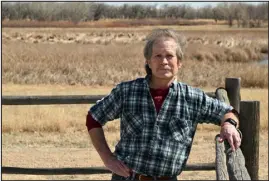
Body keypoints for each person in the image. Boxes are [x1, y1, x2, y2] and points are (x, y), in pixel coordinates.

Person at [86, 29, 241, 181]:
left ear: (179, 62)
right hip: (128, 178)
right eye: (158, 56)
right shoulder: (127, 91)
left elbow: (228, 112)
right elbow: (94, 117)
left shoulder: (193, 98)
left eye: (169, 56)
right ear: (148, 61)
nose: (164, 61)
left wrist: (229, 124)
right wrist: (108, 159)